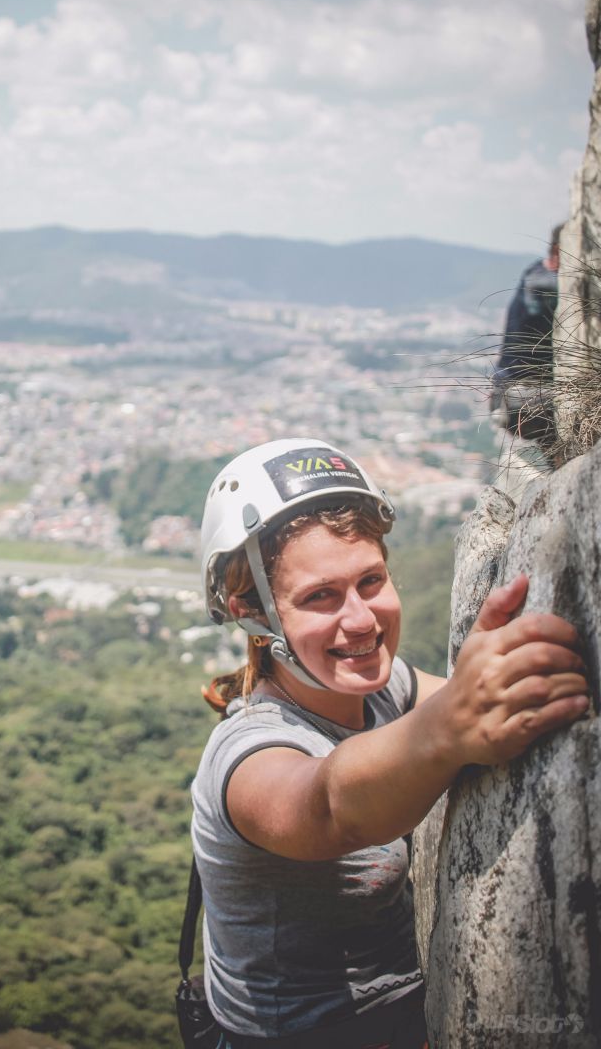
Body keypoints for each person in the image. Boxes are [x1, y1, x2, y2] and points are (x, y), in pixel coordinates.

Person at [191, 437, 587, 1049]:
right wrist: (446, 725)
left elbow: (472, 700)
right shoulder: (246, 756)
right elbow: (329, 806)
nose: (361, 619)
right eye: (320, 596)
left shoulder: (383, 689)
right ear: (254, 614)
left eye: (371, 580)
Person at [491, 224, 563, 498]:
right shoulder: (543, 282)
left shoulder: (534, 273)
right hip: (525, 396)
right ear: (558, 251)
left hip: (514, 394)